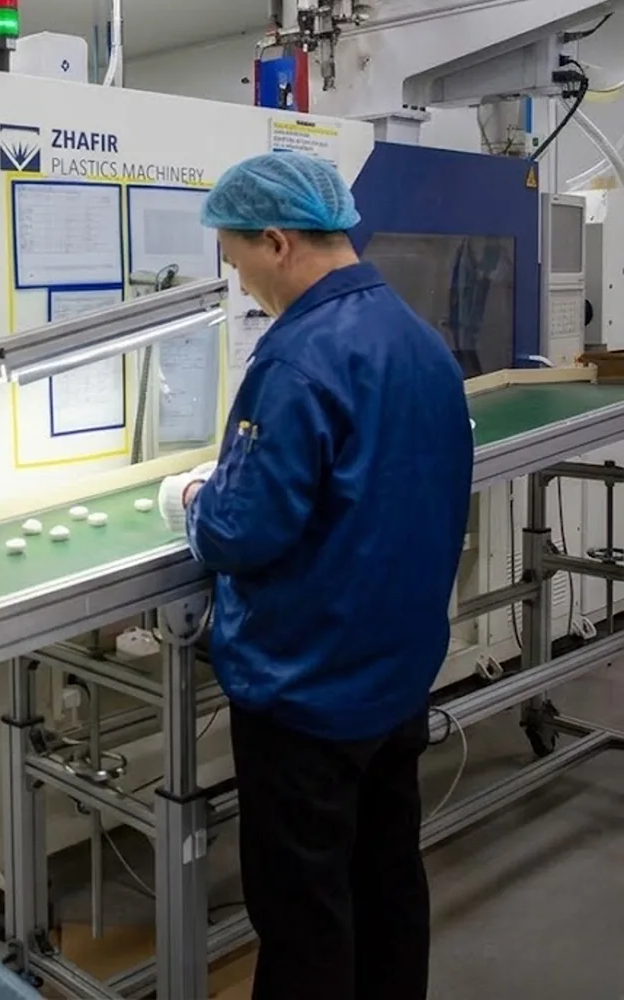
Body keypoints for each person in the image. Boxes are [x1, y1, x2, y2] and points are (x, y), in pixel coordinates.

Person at [156, 151, 473, 1000]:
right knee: (386, 881)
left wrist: (189, 500)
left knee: (303, 918)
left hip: (308, 694)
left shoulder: (294, 362)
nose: (241, 282)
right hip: (396, 677)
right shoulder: (419, 339)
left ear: (275, 241)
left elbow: (240, 528)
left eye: (236, 260)